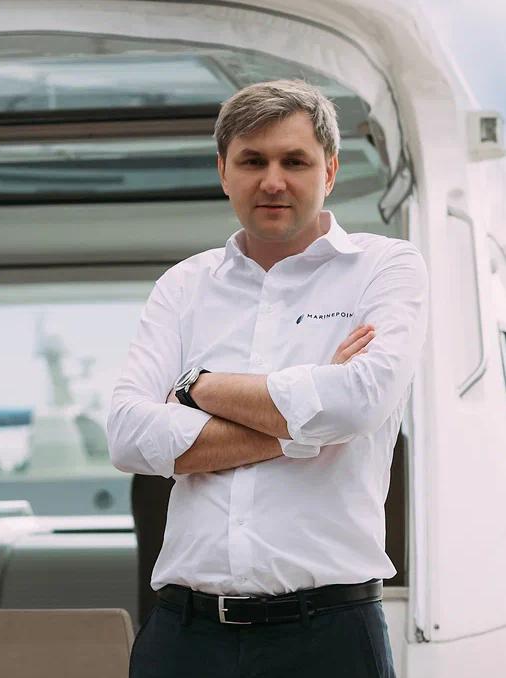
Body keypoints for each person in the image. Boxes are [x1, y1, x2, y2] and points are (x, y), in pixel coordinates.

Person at [107, 80, 428, 678]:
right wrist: (304, 427)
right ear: (224, 172)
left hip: (329, 636)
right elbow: (127, 436)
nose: (273, 181)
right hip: (182, 635)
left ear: (330, 170)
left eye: (294, 161)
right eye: (252, 161)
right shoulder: (185, 285)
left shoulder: (386, 267)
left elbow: (359, 402)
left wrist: (196, 386)